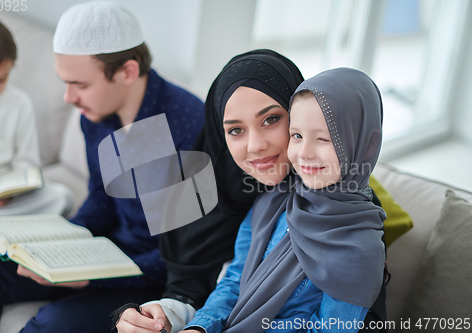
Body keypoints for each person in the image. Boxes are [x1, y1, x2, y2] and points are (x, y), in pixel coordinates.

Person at [114, 52, 388, 333]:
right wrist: (166, 316)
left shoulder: (350, 213)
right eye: (235, 130)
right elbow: (204, 286)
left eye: (271, 119)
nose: (255, 145)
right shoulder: (254, 199)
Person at [0, 2, 204, 333]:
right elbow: (100, 199)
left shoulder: (186, 126)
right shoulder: (96, 117)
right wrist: (58, 246)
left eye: (79, 85)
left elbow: (184, 261)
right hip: (104, 250)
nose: (68, 97)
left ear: (127, 72)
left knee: (53, 324)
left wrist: (90, 276)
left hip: (151, 275)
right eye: (65, 83)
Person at [0, 16, 73, 223]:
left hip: (6, 195)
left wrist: (11, 193)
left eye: (1, 79)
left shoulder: (20, 104)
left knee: (61, 197)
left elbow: (27, 163)